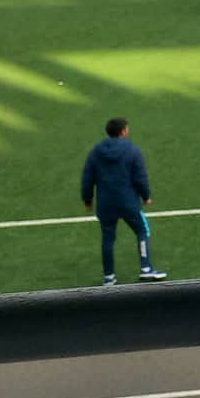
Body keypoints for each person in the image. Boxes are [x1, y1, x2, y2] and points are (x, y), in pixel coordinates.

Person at [80, 117, 167, 284]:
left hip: (106, 204)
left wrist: (87, 199)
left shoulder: (96, 152)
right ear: (124, 131)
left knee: (108, 238)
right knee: (142, 230)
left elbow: (87, 178)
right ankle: (146, 268)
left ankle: (109, 277)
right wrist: (146, 195)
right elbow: (140, 177)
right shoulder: (132, 150)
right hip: (128, 202)